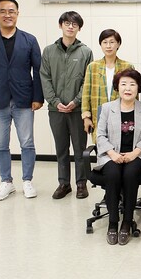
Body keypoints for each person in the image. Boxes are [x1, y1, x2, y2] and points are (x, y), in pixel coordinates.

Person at [0, 0, 44, 200]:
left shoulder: (29, 40)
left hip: (24, 99)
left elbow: (38, 70)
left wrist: (38, 97)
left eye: (11, 11)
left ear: (18, 13)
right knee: (0, 144)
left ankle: (27, 181)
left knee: (27, 143)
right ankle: (6, 182)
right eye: (3, 11)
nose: (7, 15)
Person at [96, 68, 141, 245]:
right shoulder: (107, 108)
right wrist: (112, 153)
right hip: (111, 155)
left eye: (132, 84)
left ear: (138, 88)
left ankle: (127, 222)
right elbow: (100, 135)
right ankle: (113, 223)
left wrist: (135, 153)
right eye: (123, 84)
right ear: (117, 87)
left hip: (135, 155)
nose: (128, 88)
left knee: (130, 173)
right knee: (113, 173)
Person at [40, 11, 93, 199]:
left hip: (77, 110)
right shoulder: (49, 51)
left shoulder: (85, 52)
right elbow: (45, 78)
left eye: (74, 24)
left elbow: (88, 81)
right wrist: (55, 102)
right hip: (56, 110)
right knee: (61, 148)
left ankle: (81, 184)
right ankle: (64, 183)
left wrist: (75, 101)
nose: (70, 27)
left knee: (80, 149)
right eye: (67, 23)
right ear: (60, 25)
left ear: (79, 28)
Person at [81, 29, 134, 144]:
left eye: (112, 42)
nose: (108, 46)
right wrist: (86, 117)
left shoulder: (127, 66)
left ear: (118, 44)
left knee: (122, 144)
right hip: (99, 114)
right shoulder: (93, 67)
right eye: (105, 42)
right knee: (102, 145)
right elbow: (86, 94)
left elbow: (134, 94)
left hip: (122, 114)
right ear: (100, 44)